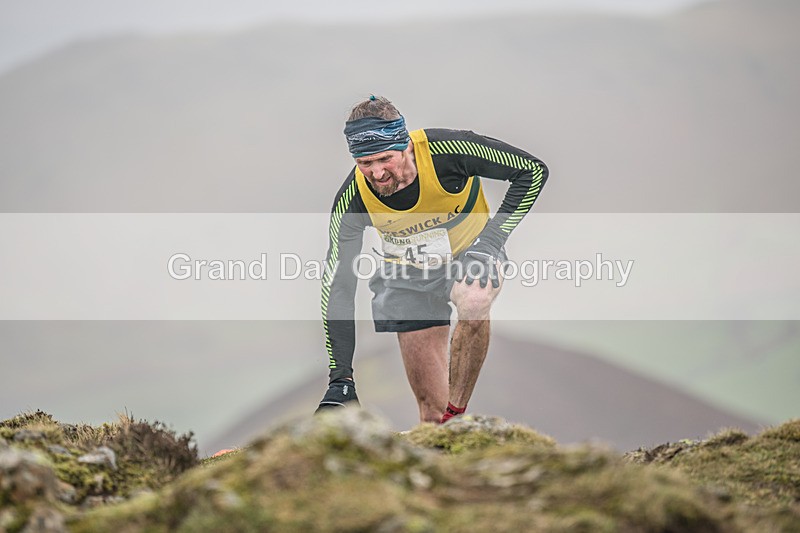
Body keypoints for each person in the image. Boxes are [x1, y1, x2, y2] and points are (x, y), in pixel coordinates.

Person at [315, 95, 548, 424]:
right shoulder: (353, 199)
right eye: (365, 163)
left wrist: (492, 241)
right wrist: (341, 378)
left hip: (471, 253)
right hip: (406, 275)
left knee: (475, 295)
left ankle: (458, 417)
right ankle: (443, 429)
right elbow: (339, 285)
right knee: (431, 416)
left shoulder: (448, 152)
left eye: (385, 159)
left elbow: (532, 172)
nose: (377, 173)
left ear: (406, 146)